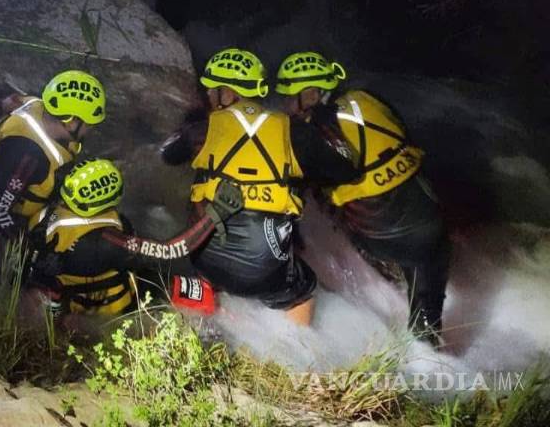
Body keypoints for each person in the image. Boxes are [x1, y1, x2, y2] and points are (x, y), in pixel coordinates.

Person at [161, 48, 359, 325]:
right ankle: (295, 345)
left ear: (227, 93)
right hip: (265, 269)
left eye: (212, 91)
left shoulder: (202, 128)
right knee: (302, 289)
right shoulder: (295, 131)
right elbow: (346, 169)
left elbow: (169, 154)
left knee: (200, 226)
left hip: (205, 258)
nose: (208, 96)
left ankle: (195, 318)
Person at [275, 51, 450, 344]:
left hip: (382, 237)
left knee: (319, 191)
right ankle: (428, 347)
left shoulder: (313, 131)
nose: (286, 105)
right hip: (432, 224)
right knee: (426, 305)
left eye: (290, 97)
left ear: (311, 95)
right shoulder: (366, 98)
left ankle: (382, 284)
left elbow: (333, 170)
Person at [28, 158, 243, 316]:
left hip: (78, 288)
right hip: (112, 307)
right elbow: (168, 251)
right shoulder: (105, 241)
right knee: (188, 292)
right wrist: (216, 213)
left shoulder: (46, 215)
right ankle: (223, 315)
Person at [0, 70, 104, 240]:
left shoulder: (32, 103)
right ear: (71, 123)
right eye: (90, 124)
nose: (91, 129)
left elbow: (1, 105)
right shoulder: (30, 157)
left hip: (5, 180)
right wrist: (27, 245)